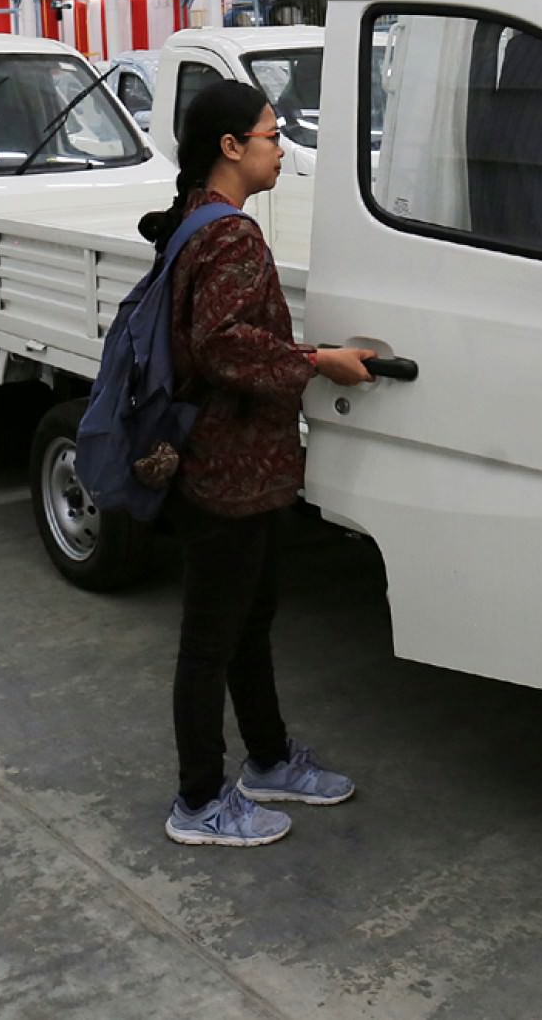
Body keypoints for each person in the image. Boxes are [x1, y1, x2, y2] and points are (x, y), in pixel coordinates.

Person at [145, 80, 375, 848]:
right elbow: (221, 344)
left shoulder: (192, 222)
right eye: (272, 136)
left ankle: (269, 759)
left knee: (247, 623)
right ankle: (199, 803)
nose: (283, 149)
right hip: (228, 470)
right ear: (231, 148)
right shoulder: (233, 236)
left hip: (226, 467)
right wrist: (318, 361)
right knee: (213, 638)